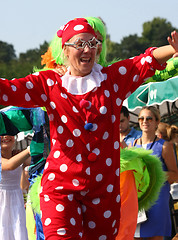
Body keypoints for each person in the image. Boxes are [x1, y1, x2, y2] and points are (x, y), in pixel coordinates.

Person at [0, 18, 178, 240]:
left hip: (103, 192)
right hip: (60, 189)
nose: (87, 50)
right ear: (64, 50)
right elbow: (8, 89)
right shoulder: (49, 83)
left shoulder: (112, 79)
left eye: (93, 44)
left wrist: (172, 48)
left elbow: (145, 61)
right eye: (80, 44)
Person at [133, 106, 178, 240]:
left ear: (157, 122)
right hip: (138, 201)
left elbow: (175, 175)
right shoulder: (133, 145)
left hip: (158, 201)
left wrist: (154, 174)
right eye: (141, 118)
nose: (144, 121)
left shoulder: (165, 146)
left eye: (149, 118)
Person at [0, 135, 31, 240]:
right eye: (1, 133)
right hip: (1, 202)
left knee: (17, 230)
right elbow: (9, 165)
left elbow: (35, 160)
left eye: (9, 132)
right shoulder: (18, 156)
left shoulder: (17, 155)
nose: (5, 136)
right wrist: (29, 150)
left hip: (16, 201)